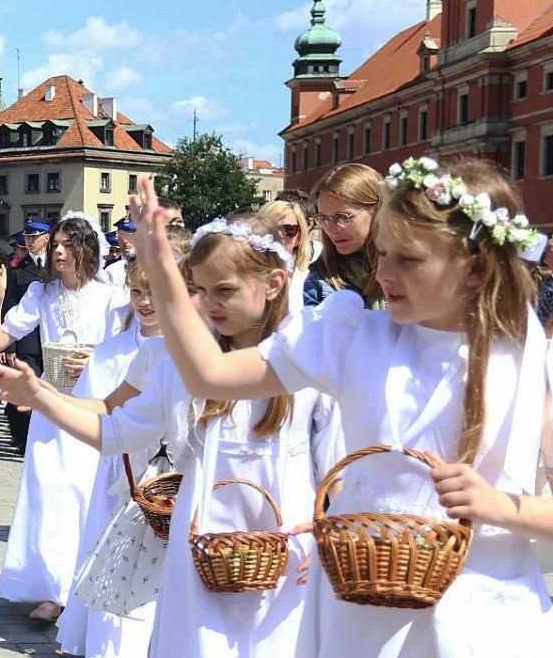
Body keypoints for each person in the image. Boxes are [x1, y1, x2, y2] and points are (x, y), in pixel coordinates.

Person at [119, 162, 546, 656]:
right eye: (381, 253)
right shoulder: (351, 335)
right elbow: (209, 374)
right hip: (361, 613)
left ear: (473, 266)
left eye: (407, 259)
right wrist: (161, 267)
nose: (384, 273)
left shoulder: (524, 357)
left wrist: (501, 507)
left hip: (483, 613)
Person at [0, 213, 337, 657]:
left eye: (223, 291)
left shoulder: (309, 362)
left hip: (289, 555)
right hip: (200, 549)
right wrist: (41, 396)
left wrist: (322, 535)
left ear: (275, 284)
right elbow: (115, 430)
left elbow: (336, 468)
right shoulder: (173, 362)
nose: (210, 305)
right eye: (201, 291)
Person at [53, 238, 191, 658]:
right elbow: (104, 408)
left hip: (174, 475)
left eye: (155, 292)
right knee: (122, 570)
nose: (145, 301)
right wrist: (47, 397)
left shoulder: (191, 350)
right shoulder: (117, 351)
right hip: (125, 471)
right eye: (137, 292)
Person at [0, 214, 118, 623]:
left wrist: (98, 358)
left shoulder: (110, 296)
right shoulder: (41, 294)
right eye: (55, 244)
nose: (58, 251)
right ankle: (52, 589)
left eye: (66, 244)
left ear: (86, 249)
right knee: (49, 492)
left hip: (92, 404)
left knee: (84, 493)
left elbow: (128, 348)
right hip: (50, 399)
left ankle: (84, 587)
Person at [303, 163, 387, 308]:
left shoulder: (410, 268)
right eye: (323, 218)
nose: (330, 230)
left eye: (342, 217)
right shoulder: (320, 278)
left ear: (377, 210)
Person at [0, 218, 49, 456]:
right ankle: (26, 440)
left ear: (47, 238)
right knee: (26, 394)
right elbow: (9, 307)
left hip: (51, 340)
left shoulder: (57, 267)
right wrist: (9, 345)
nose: (29, 241)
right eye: (27, 237)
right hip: (26, 341)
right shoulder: (17, 270)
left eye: (34, 236)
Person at [257, 200, 312, 312]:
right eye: (271, 229)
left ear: (299, 237)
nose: (279, 235)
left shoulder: (312, 280)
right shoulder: (244, 274)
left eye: (289, 229)